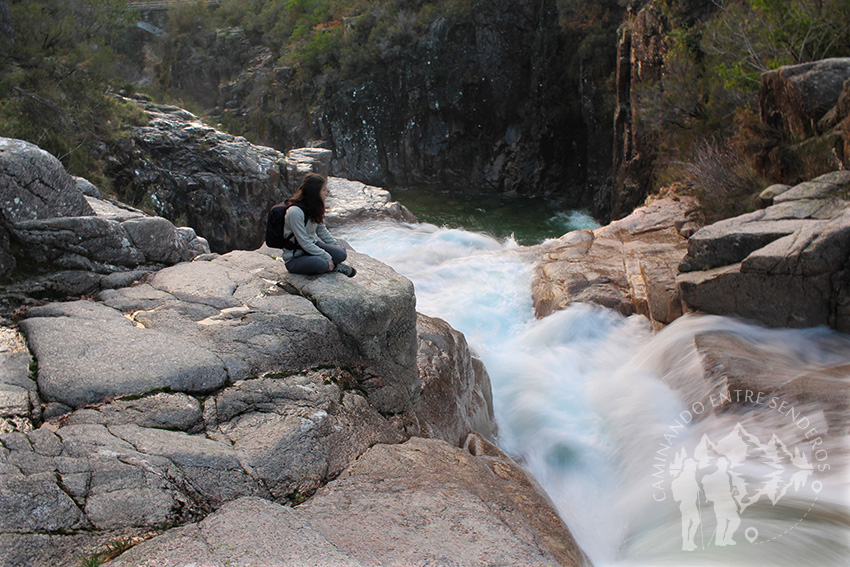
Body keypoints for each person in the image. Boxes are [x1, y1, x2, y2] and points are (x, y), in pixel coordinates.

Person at [281, 173, 356, 277]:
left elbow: (322, 231)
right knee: (321, 263)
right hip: (296, 257)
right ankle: (332, 267)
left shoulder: (314, 207)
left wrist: (335, 247)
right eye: (324, 190)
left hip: (311, 248)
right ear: (315, 192)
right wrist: (328, 257)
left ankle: (331, 265)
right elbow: (304, 242)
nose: (326, 192)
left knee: (341, 254)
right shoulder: (295, 212)